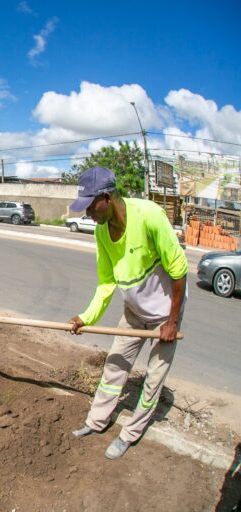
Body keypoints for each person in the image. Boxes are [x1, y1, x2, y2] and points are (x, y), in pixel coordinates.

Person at [67, 166, 187, 460]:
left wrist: (171, 322)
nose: (87, 215)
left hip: (163, 315)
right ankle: (96, 421)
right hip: (134, 312)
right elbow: (106, 281)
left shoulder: (149, 216)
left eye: (90, 207)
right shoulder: (101, 232)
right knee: (115, 365)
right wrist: (87, 317)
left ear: (106, 197)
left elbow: (179, 271)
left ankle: (129, 434)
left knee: (153, 379)